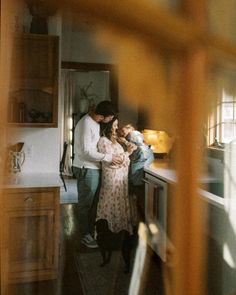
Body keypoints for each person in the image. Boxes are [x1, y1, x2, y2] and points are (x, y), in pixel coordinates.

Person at [73, 100, 121, 248]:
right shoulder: (86, 123)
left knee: (93, 203)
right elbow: (86, 152)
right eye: (111, 117)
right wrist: (108, 157)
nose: (111, 119)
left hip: (92, 168)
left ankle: (90, 231)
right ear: (104, 115)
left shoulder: (95, 123)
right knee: (85, 204)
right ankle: (85, 235)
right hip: (86, 168)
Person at [96, 116, 135, 234]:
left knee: (119, 202)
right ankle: (107, 232)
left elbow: (133, 148)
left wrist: (126, 144)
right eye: (115, 125)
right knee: (109, 202)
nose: (117, 128)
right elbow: (113, 162)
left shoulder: (115, 141)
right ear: (108, 126)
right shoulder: (103, 141)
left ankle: (120, 230)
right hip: (112, 178)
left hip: (120, 179)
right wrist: (127, 153)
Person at [119, 124, 154, 221]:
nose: (124, 137)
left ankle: (138, 224)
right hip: (134, 179)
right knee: (134, 203)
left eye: (126, 135)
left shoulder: (139, 148)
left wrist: (126, 142)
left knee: (138, 203)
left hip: (136, 180)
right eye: (123, 135)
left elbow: (137, 150)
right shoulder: (141, 147)